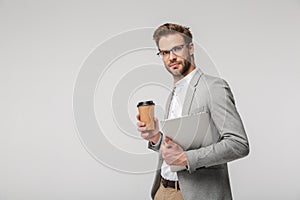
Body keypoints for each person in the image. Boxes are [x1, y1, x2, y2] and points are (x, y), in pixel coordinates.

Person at [136, 23, 250, 200]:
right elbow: (174, 150)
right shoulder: (174, 93)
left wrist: (187, 158)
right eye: (165, 52)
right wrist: (156, 138)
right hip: (163, 191)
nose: (171, 57)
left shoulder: (214, 87)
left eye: (177, 49)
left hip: (196, 195)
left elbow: (238, 144)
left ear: (190, 48)